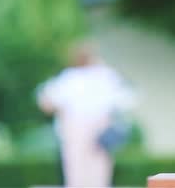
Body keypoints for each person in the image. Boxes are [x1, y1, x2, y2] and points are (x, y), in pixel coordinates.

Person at [37, 42, 135, 187]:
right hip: (100, 125)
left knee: (75, 167)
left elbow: (47, 102)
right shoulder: (105, 75)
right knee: (99, 168)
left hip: (73, 127)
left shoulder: (69, 77)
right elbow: (125, 99)